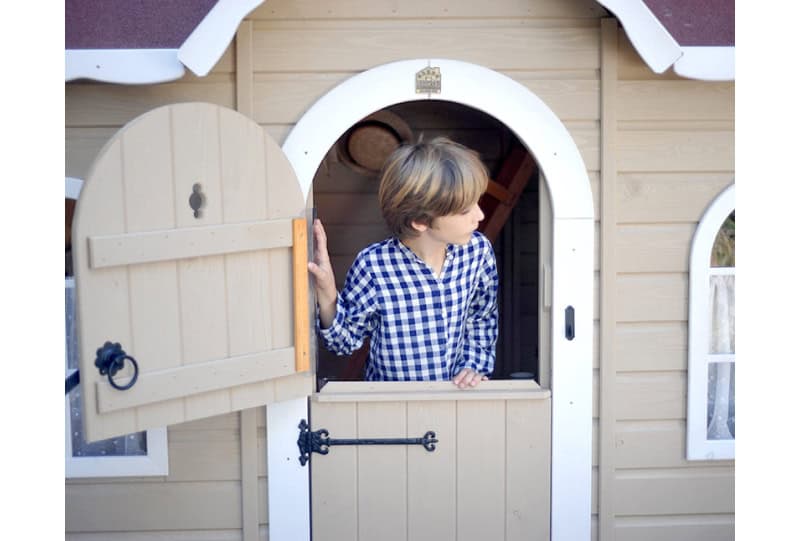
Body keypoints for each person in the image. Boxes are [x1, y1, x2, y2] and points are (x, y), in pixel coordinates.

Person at [307, 137, 499, 389]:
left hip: (456, 398)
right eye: (465, 210)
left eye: (478, 202)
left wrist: (473, 364)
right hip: (393, 409)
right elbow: (344, 342)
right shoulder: (374, 266)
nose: (480, 215)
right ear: (420, 221)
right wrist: (327, 292)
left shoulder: (478, 252)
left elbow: (481, 316)